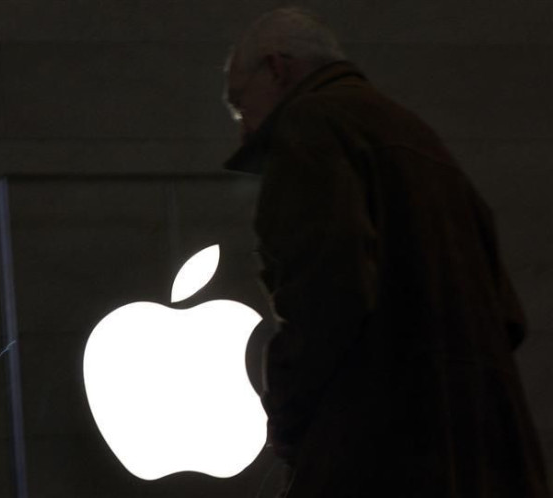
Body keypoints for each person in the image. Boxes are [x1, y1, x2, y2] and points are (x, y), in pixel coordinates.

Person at [222, 7, 550, 497]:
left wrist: (287, 419)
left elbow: (325, 296)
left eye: (238, 102)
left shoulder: (311, 126)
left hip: (377, 452)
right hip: (485, 457)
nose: (243, 128)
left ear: (276, 68)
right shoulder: (420, 139)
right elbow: (508, 317)